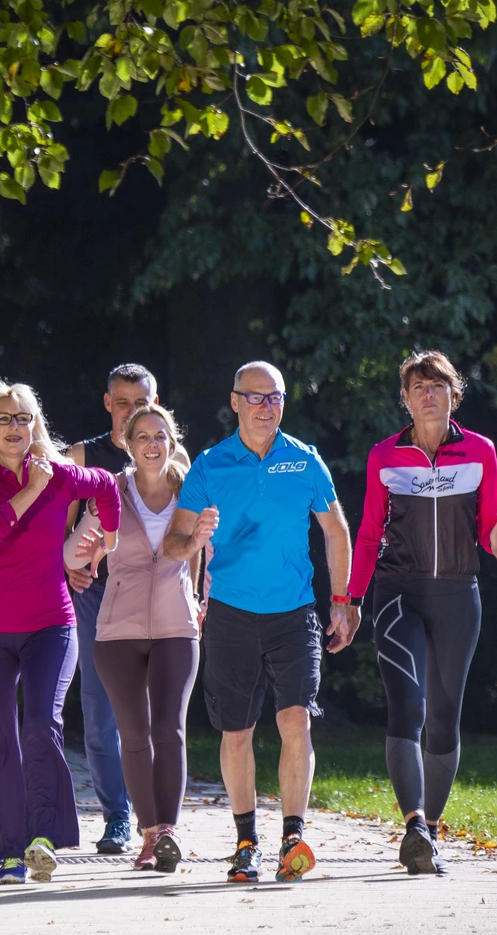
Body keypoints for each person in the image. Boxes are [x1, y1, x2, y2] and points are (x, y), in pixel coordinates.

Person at [163, 361, 357, 884]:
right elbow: (172, 545)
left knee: (296, 719)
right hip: (230, 614)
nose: (267, 407)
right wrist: (197, 535)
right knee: (237, 730)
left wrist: (344, 600)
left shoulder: (305, 460)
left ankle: (292, 836)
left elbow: (336, 531)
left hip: (294, 612)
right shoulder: (209, 465)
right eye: (256, 398)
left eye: (276, 398)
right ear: (235, 403)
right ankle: (246, 840)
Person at [0, 381, 120, 885]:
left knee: (41, 723)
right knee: (1, 742)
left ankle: (44, 838)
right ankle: (12, 854)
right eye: (4, 420)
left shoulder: (59, 474)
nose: (16, 428)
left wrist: (107, 539)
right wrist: (34, 490)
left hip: (51, 625)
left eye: (24, 419)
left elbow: (106, 485)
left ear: (35, 425)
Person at [348, 350, 497, 876]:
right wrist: (349, 600)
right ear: (406, 399)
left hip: (460, 595)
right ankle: (413, 823)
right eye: (417, 386)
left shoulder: (480, 451)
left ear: (453, 395)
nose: (427, 393)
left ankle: (429, 833)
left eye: (437, 385)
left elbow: (490, 517)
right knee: (407, 708)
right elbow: (369, 534)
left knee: (444, 716)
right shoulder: (384, 456)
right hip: (398, 594)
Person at [65, 406, 203, 872]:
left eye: (160, 435)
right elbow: (72, 550)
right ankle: (150, 834)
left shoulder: (191, 488)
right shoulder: (110, 491)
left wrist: (204, 600)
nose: (151, 444)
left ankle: (168, 831)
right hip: (117, 629)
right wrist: (79, 552)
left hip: (176, 627)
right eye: (142, 436)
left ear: (171, 440)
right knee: (134, 735)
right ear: (126, 442)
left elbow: (211, 553)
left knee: (170, 729)